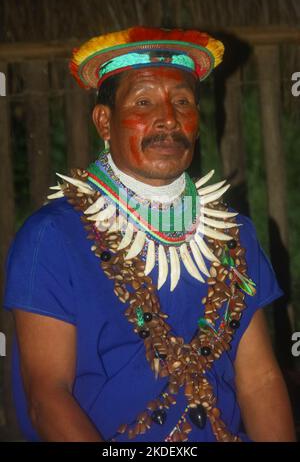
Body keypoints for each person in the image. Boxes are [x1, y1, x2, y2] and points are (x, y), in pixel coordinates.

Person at [3, 26, 295, 442]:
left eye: (183, 102)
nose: (169, 119)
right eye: (144, 102)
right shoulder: (51, 237)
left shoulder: (233, 234)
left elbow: (261, 380)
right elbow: (46, 396)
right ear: (104, 121)